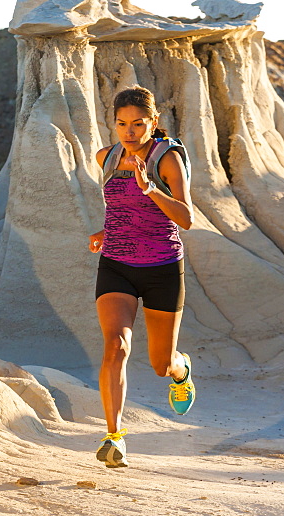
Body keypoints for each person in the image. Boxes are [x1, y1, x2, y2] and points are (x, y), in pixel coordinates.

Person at [88, 85, 196, 468]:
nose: (129, 131)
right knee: (115, 346)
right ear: (113, 125)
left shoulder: (167, 160)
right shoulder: (106, 157)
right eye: (121, 124)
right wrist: (105, 233)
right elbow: (118, 207)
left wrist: (149, 188)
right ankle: (114, 437)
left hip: (162, 268)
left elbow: (186, 218)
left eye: (137, 123)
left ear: (154, 123)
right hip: (116, 265)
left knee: (160, 364)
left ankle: (181, 370)